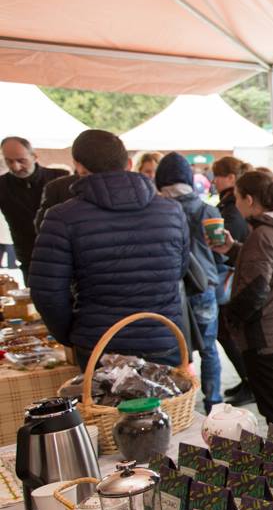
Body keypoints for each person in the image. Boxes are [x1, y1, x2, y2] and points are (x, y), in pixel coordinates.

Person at [29, 130, 188, 368]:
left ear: (79, 167)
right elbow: (178, 271)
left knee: (102, 395)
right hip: (161, 337)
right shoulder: (172, 211)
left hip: (99, 343)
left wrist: (72, 333)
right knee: (166, 394)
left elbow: (47, 293)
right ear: (129, 163)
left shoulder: (62, 217)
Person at [211, 169, 273, 438]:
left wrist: (231, 319)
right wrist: (233, 249)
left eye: (237, 198)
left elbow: (255, 291)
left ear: (249, 200)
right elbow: (270, 264)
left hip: (268, 336)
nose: (235, 204)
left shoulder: (262, 234)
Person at [156, 152, 224, 412]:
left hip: (171, 288)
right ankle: (213, 401)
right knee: (209, 349)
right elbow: (219, 250)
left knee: (176, 350)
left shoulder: (158, 211)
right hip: (204, 284)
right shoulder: (208, 209)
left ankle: (180, 405)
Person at [211, 155, 255, 405]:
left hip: (233, 279)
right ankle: (248, 379)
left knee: (229, 333)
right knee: (228, 333)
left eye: (217, 176)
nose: (213, 181)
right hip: (234, 276)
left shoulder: (233, 209)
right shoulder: (228, 205)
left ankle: (251, 381)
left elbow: (241, 247)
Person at [0, 137, 68, 282]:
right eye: (9, 161)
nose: (16, 167)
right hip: (29, 258)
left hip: (64, 255)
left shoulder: (60, 178)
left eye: (21, 160)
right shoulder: (2, 185)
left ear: (34, 156)